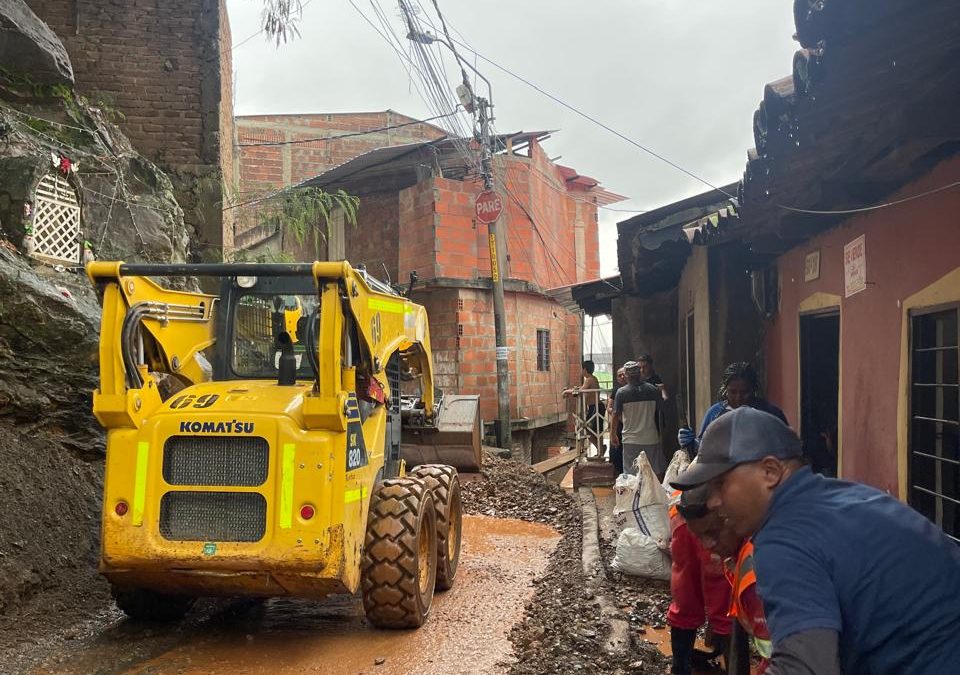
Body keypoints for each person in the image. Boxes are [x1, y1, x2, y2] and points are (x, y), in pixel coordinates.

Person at [671, 407, 960, 675]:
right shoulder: (845, 497)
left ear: (770, 472)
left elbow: (805, 667)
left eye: (721, 484)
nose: (715, 501)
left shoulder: (784, 538)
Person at [667, 485, 732, 675]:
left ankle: (680, 668)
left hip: (684, 511)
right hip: (712, 516)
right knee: (724, 601)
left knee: (686, 591)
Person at [677, 361, 786, 453]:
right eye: (733, 392)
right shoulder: (714, 413)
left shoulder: (771, 414)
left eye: (745, 392)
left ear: (754, 389)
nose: (738, 398)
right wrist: (691, 443)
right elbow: (703, 451)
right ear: (725, 390)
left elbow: (787, 449)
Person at [610, 361, 664, 477]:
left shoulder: (621, 393)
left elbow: (615, 414)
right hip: (651, 438)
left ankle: (635, 490)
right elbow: (660, 412)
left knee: (631, 475)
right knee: (654, 472)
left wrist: (613, 434)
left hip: (630, 440)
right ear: (640, 373)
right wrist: (660, 435)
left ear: (626, 375)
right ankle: (655, 489)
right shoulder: (652, 390)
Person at [563, 359, 604, 457]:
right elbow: (581, 389)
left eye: (581, 369)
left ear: (585, 369)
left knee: (590, 429)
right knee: (594, 429)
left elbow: (580, 391)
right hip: (594, 407)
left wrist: (566, 392)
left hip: (596, 407)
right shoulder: (591, 379)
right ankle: (600, 449)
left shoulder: (590, 379)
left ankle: (600, 449)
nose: (581, 371)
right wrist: (571, 390)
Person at [608, 366, 627, 474]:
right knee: (616, 452)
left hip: (631, 426)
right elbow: (609, 408)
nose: (622, 377)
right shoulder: (616, 390)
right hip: (619, 425)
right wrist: (620, 417)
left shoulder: (634, 389)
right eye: (619, 375)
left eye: (623, 374)